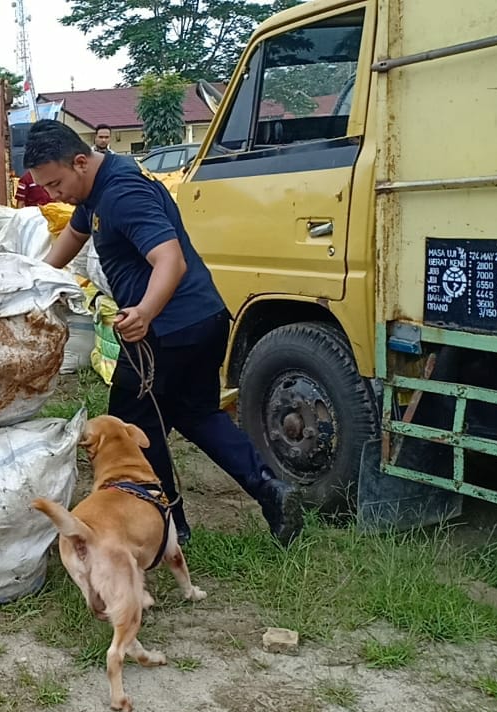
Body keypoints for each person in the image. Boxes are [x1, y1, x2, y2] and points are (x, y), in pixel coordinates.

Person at [22, 119, 302, 546]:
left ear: (79, 162)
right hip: (202, 317)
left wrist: (145, 312)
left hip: (165, 329)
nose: (54, 195)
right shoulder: (96, 186)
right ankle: (270, 489)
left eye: (56, 184)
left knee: (128, 429)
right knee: (198, 414)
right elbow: (74, 236)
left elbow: (171, 259)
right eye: (46, 188)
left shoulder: (123, 193)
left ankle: (167, 523)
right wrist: (29, 280)